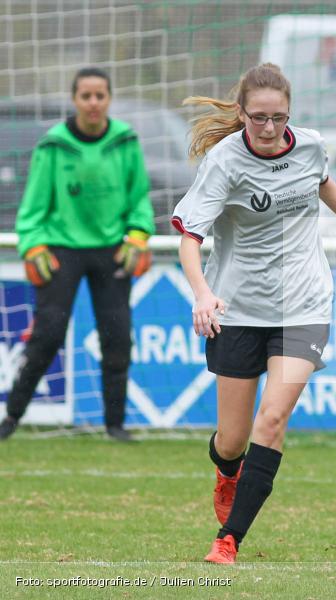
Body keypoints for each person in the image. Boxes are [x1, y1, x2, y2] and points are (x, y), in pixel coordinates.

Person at [171, 63, 336, 564]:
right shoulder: (223, 161)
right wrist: (202, 294)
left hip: (304, 302)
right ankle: (226, 470)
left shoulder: (309, 145)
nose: (268, 128)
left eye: (278, 118)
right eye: (258, 118)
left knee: (274, 418)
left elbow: (324, 182)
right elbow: (190, 239)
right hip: (237, 307)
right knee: (233, 439)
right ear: (241, 113)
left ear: (290, 114)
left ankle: (229, 539)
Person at [0, 67, 154, 442]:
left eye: (100, 95)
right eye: (86, 96)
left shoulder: (126, 141)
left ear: (109, 99)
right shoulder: (53, 144)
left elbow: (140, 201)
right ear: (75, 100)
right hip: (62, 250)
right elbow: (33, 208)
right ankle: (11, 419)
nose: (93, 102)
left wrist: (137, 236)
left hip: (112, 251)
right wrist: (32, 244)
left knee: (117, 338)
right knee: (48, 335)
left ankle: (114, 425)